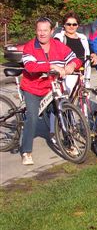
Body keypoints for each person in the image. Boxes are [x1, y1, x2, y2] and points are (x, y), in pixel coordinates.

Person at [19, 17, 82, 165]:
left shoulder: (58, 46)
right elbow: (30, 67)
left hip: (52, 87)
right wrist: (52, 67)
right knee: (32, 118)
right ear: (36, 31)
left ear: (52, 31)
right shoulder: (30, 47)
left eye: (45, 30)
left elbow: (75, 59)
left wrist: (71, 65)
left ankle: (69, 143)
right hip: (33, 88)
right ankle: (26, 151)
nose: (42, 33)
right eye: (39, 30)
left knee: (63, 111)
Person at [54, 11, 91, 91]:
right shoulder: (59, 38)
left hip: (81, 76)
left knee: (83, 101)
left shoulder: (83, 38)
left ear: (78, 25)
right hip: (66, 77)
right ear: (64, 25)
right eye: (68, 24)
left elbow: (87, 55)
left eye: (74, 24)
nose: (71, 26)